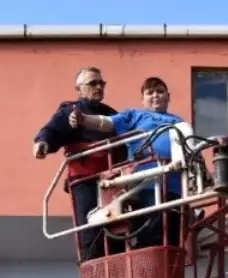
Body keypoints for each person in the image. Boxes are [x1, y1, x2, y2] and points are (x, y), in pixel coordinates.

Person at [70, 76, 186, 248]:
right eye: (150, 92)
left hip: (175, 185)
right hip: (146, 183)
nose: (156, 96)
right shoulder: (134, 115)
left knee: (173, 236)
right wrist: (84, 119)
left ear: (168, 96)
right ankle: (147, 271)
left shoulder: (179, 121)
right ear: (142, 99)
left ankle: (167, 272)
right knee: (151, 233)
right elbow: (107, 123)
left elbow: (190, 147)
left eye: (160, 92)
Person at [33, 67, 124, 262]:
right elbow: (52, 130)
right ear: (79, 88)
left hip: (114, 181)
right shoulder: (70, 111)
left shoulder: (111, 115)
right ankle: (93, 273)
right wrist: (42, 143)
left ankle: (118, 276)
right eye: (93, 83)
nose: (99, 87)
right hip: (85, 180)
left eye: (102, 83)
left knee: (118, 231)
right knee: (90, 230)